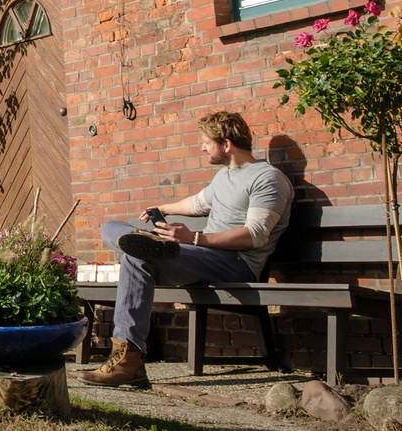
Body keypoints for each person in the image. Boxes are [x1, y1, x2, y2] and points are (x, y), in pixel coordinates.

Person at [79, 110, 293, 388]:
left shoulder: (267, 179)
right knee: (111, 225)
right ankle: (137, 243)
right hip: (203, 257)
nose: (202, 147)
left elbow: (255, 235)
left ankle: (128, 360)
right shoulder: (225, 177)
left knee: (137, 257)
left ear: (226, 145)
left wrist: (194, 239)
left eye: (206, 142)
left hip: (235, 264)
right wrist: (162, 209)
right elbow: (197, 204)